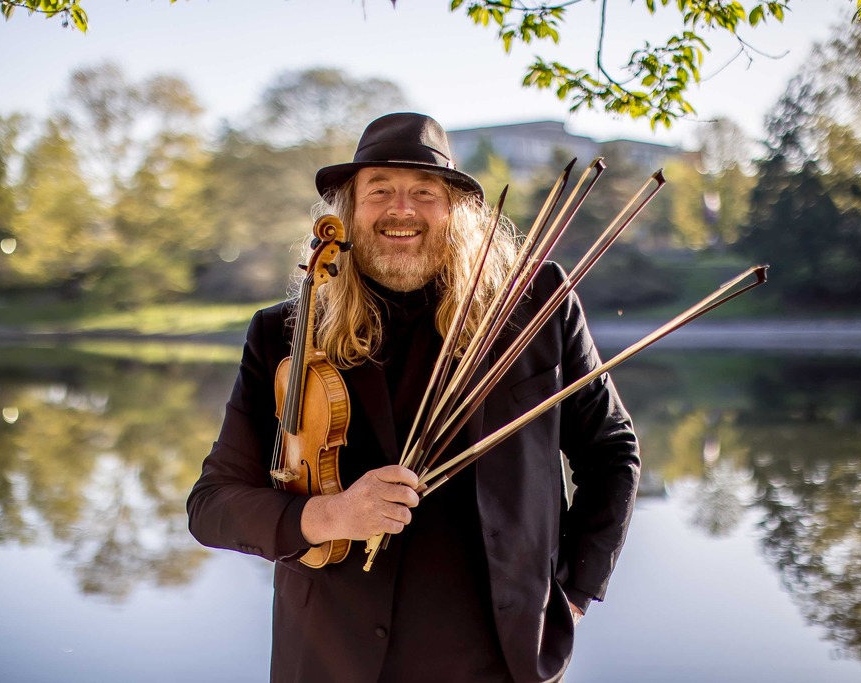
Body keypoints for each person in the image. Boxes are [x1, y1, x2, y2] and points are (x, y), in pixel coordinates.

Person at [187, 112, 640, 683]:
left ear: (456, 211)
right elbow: (213, 506)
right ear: (348, 212)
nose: (402, 210)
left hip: (498, 658)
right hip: (332, 657)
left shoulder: (534, 305)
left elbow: (610, 451)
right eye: (380, 191)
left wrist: (575, 591)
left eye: (424, 193)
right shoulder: (286, 334)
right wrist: (329, 515)